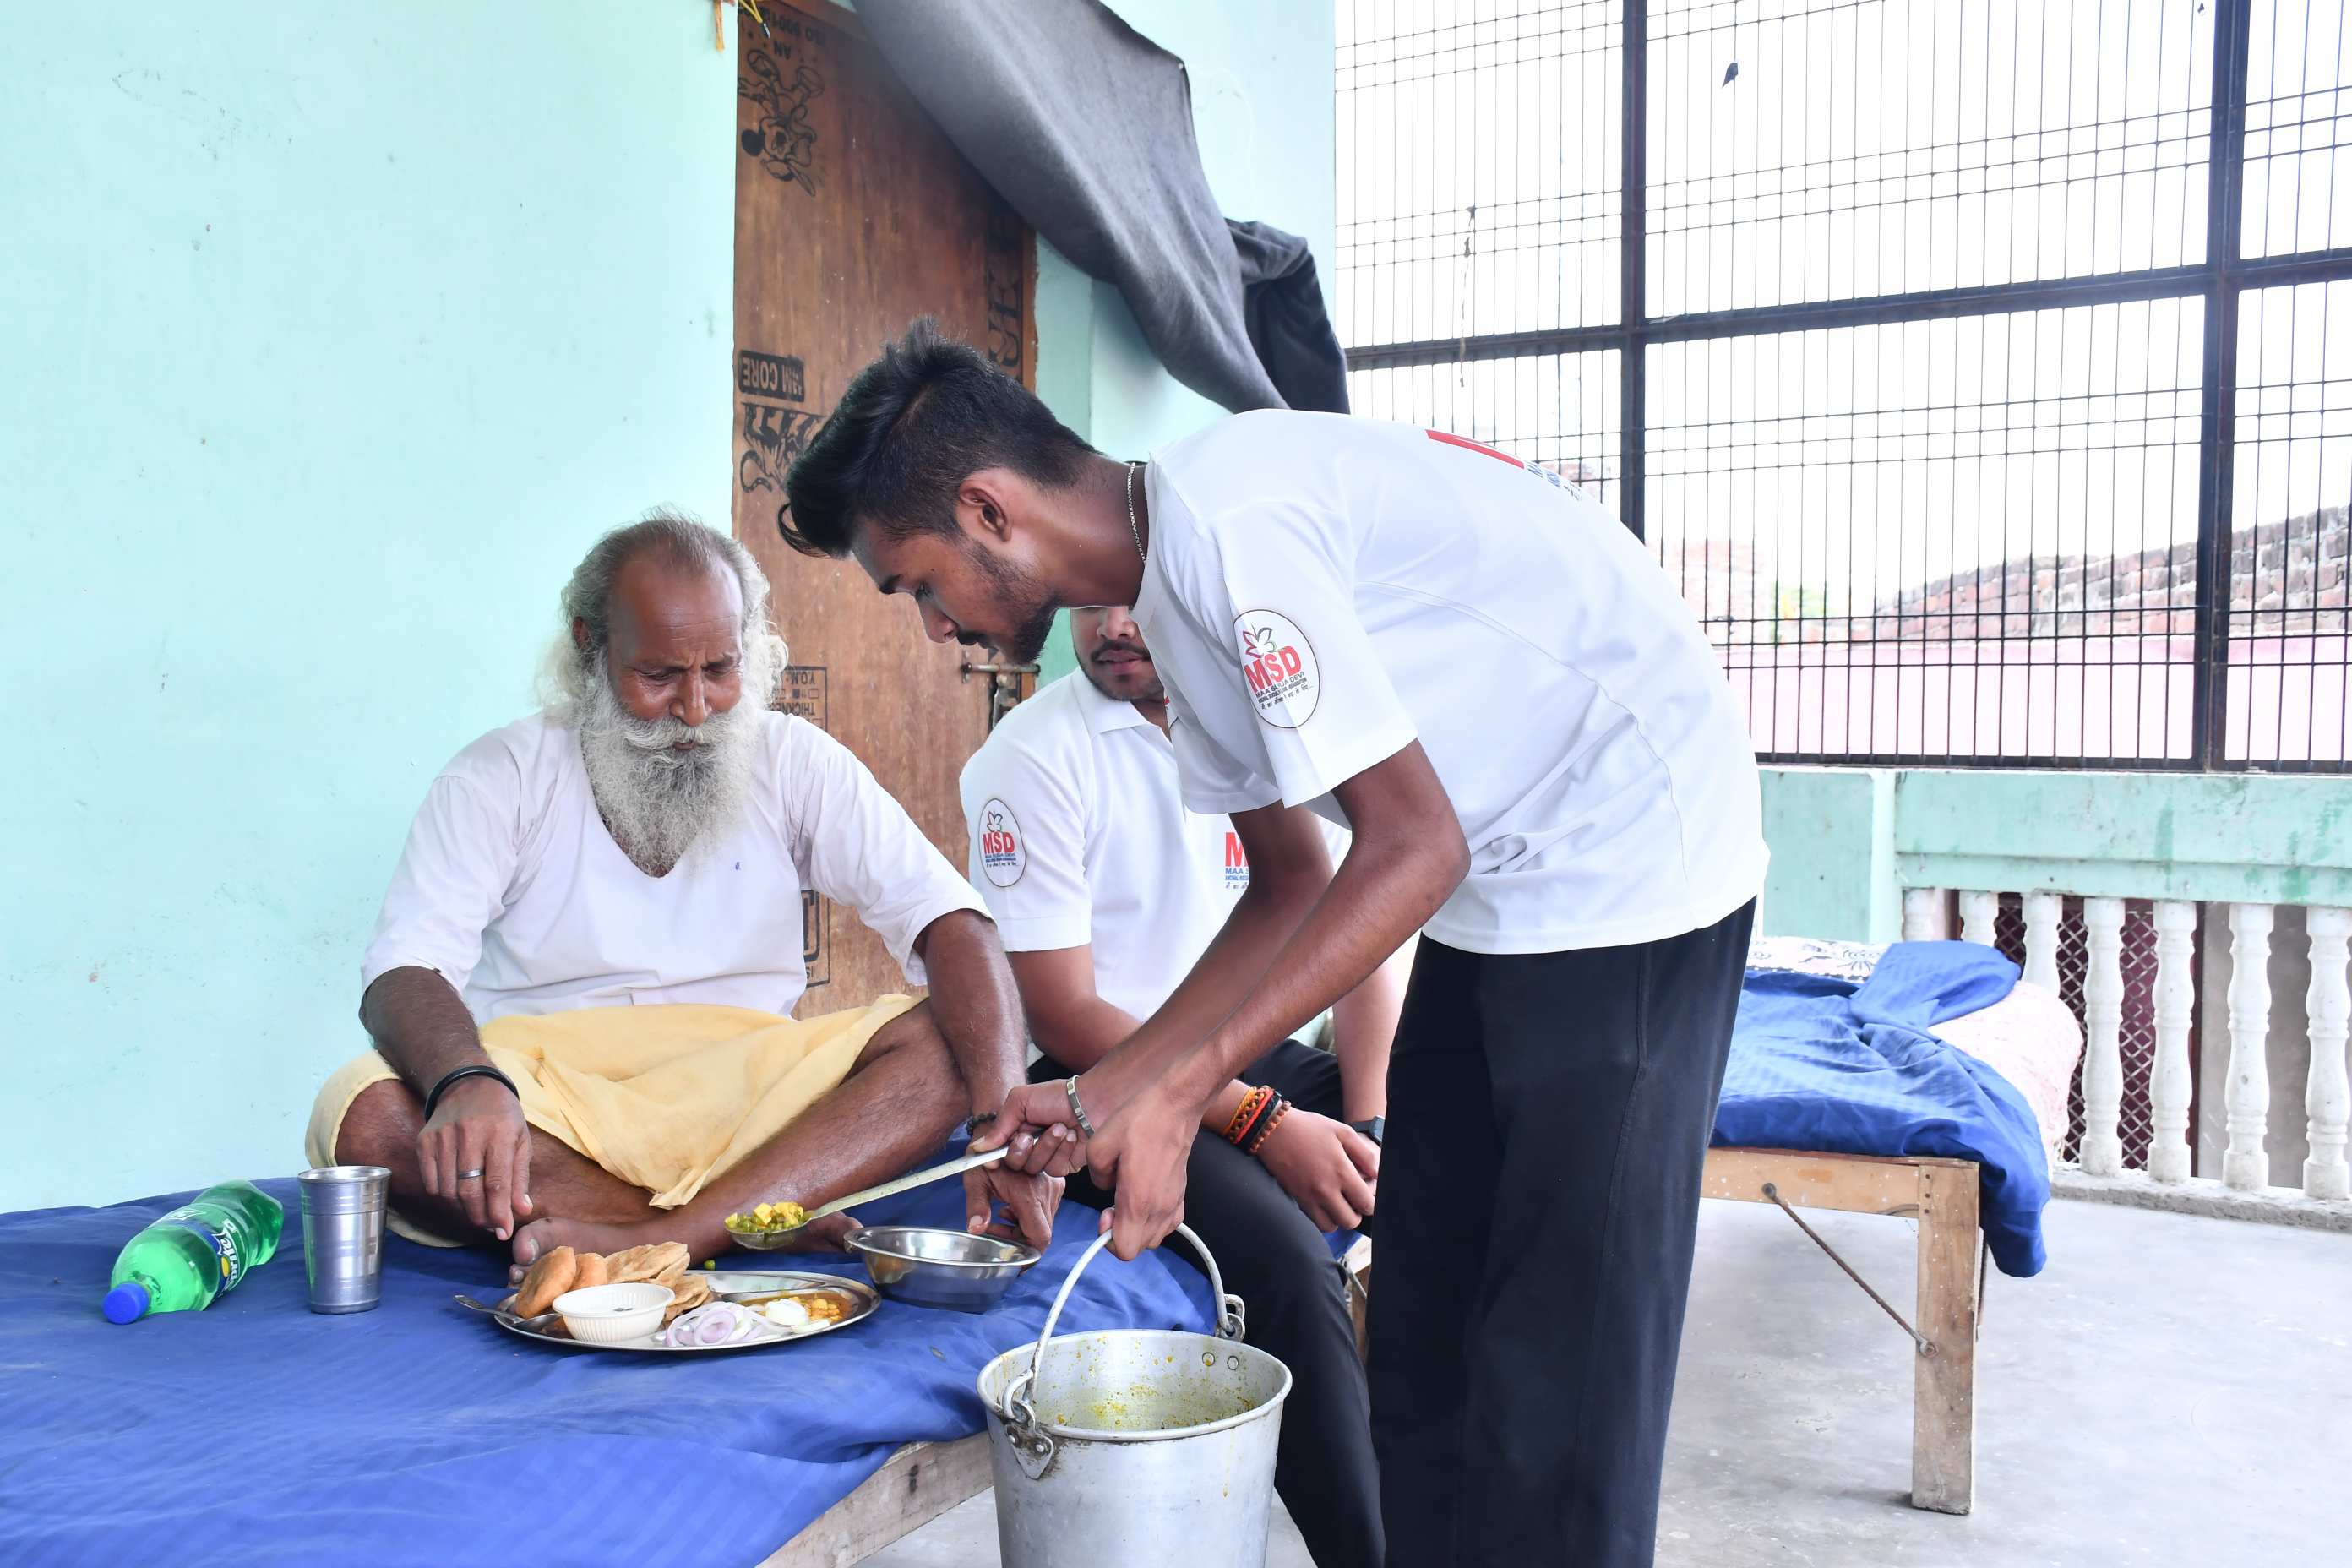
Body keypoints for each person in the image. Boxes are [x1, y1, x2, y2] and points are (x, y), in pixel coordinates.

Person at [778, 323, 1767, 1566]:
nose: (934, 625)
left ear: (988, 510)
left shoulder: (1229, 531)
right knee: (1423, 1342)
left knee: (1556, 1389)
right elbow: (1291, 879)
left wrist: (1185, 1091)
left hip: (1634, 859)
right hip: (1502, 878)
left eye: (918, 585)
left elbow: (1412, 847)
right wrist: (1103, 1092)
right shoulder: (1172, 599)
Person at [311, 510, 1059, 1275]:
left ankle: (659, 1234)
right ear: (590, 648)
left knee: (956, 1036)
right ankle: (741, 1222)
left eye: (720, 671)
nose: (696, 711)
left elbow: (951, 922)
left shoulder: (793, 760)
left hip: (754, 1104)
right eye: (659, 676)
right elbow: (405, 969)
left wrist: (1004, 1120)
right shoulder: (500, 776)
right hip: (557, 1107)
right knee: (364, 1112)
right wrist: (465, 1080)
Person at [960, 602, 1407, 1567]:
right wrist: (1267, 1123)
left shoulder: (1254, 722)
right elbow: (1064, 1015)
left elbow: (1360, 925)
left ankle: (1445, 1508)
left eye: (1134, 595)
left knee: (1438, 1149)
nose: (1115, 624)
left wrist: (1368, 1117)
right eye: (1091, 604)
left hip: (1242, 1050)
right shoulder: (1031, 757)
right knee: (1288, 1264)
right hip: (1095, 1084)